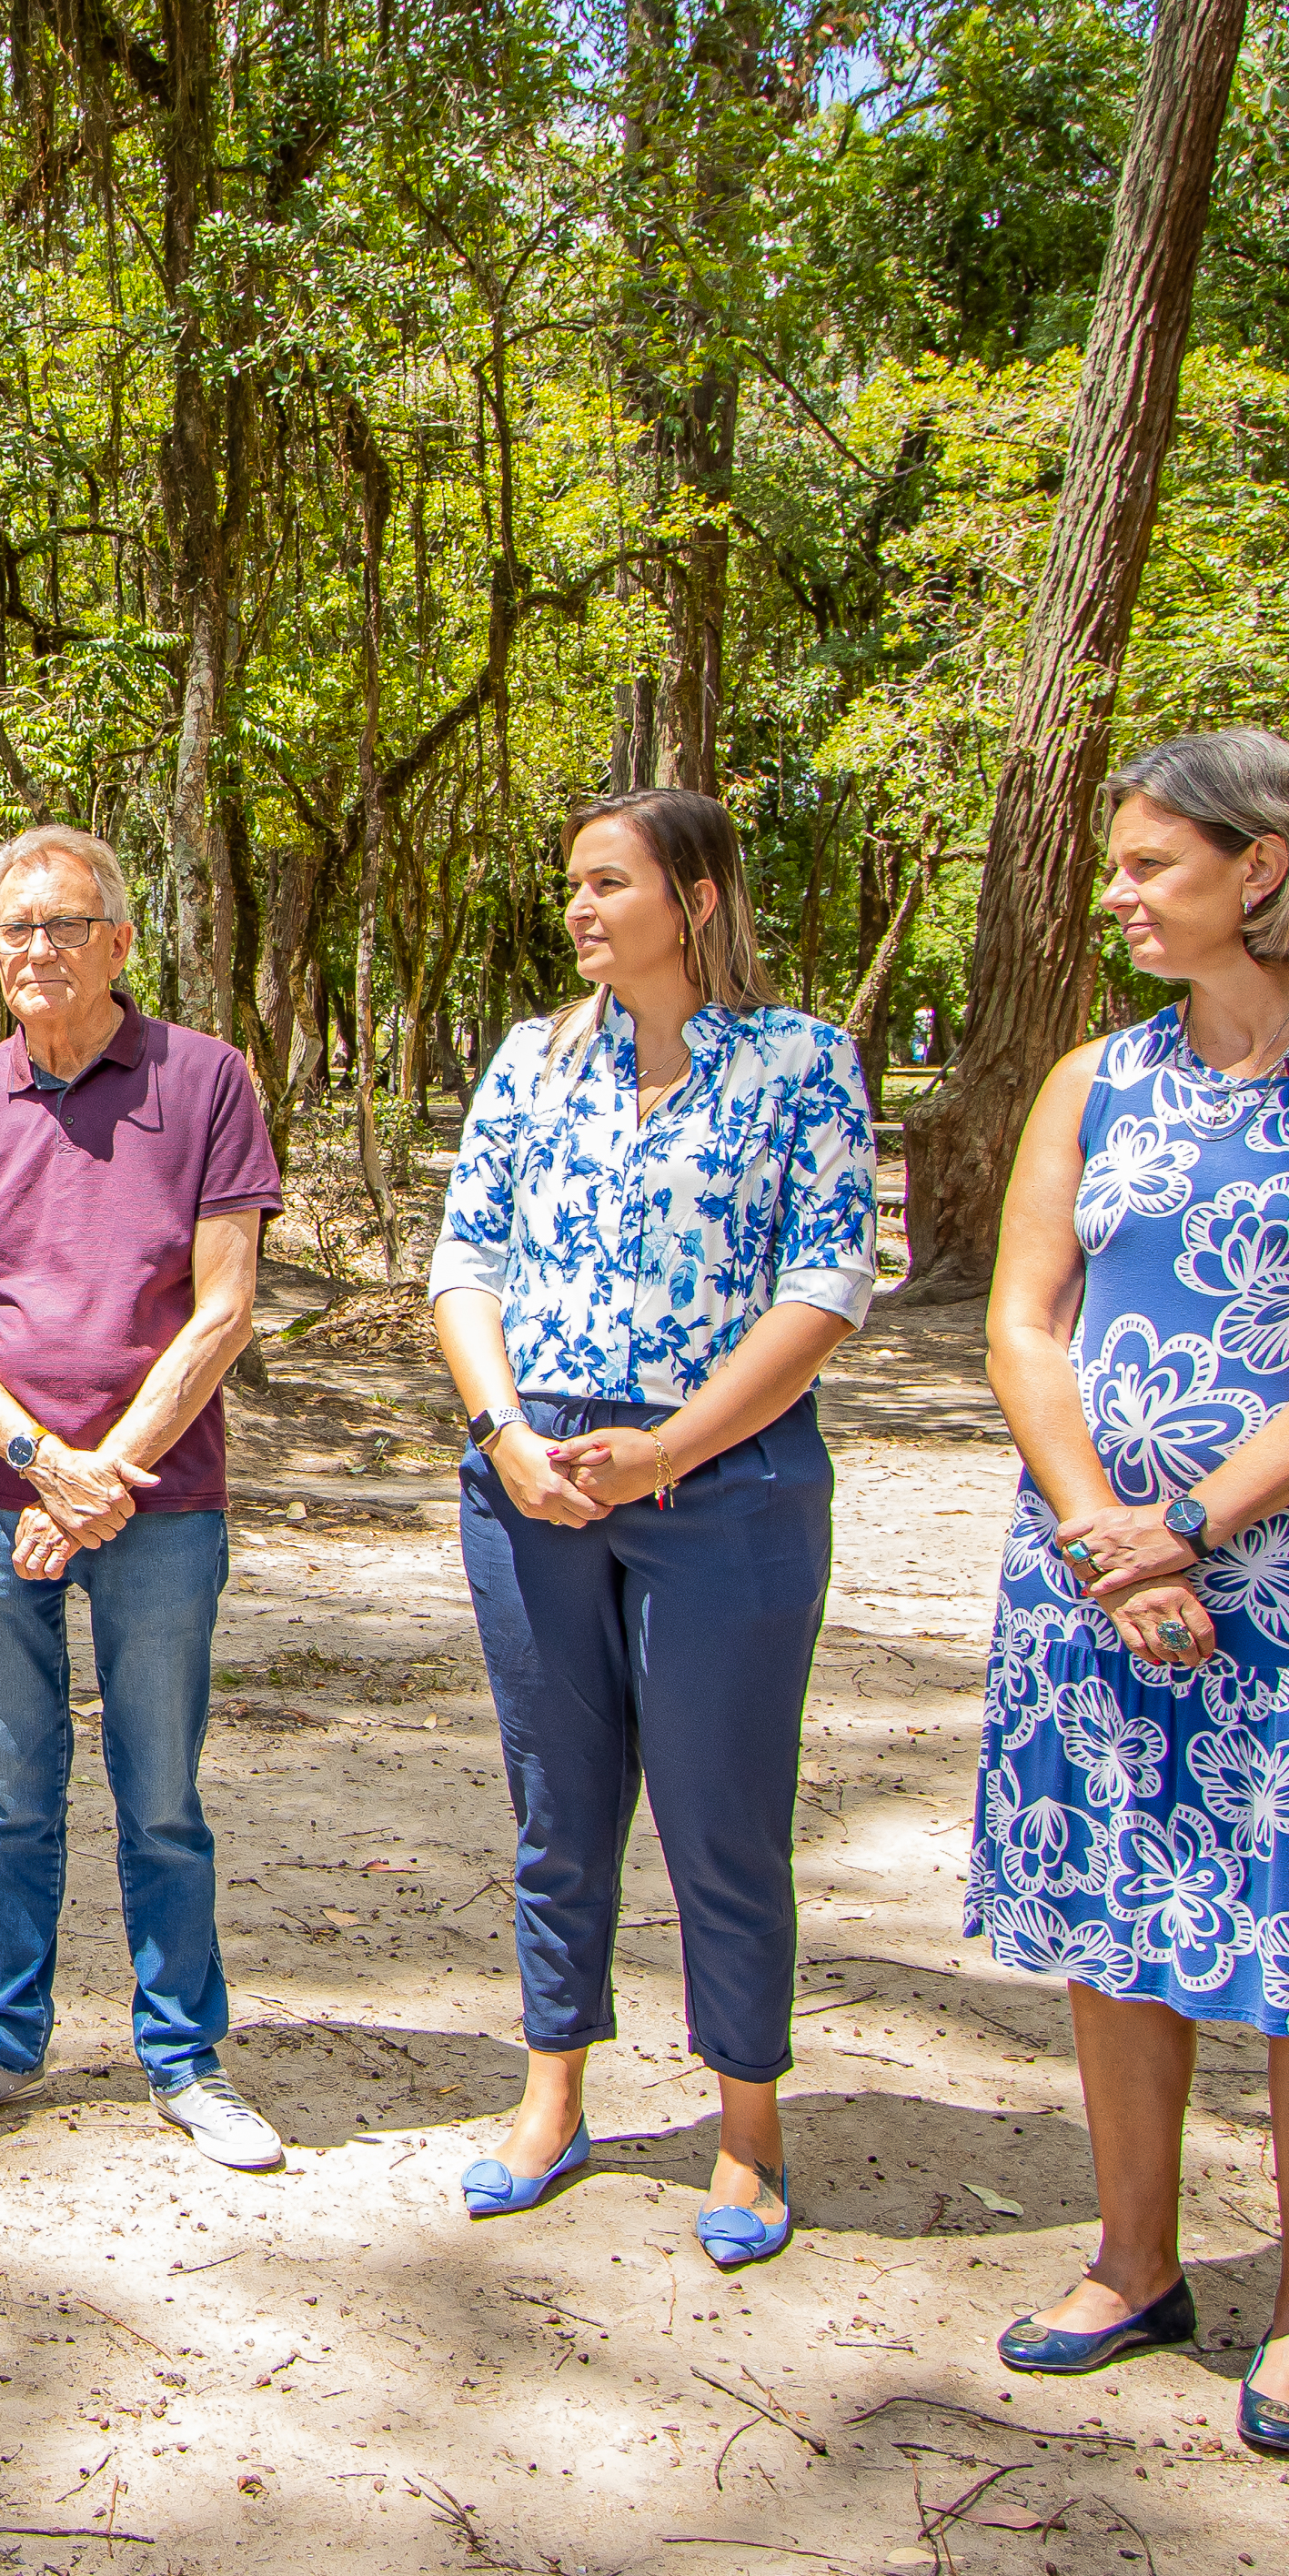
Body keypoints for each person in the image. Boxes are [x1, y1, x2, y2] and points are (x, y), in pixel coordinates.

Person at [966, 728, 1289, 2459]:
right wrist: (1102, 1527)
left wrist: (1193, 1515)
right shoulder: (1093, 1078)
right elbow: (1026, 1318)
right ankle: (1135, 2260)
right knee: (1119, 1915)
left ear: (1257, 869)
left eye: (1147, 866)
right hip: (1094, 1566)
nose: (1114, 895)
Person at [430, 788, 876, 2269]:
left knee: (720, 1817)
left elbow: (826, 1284)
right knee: (558, 1808)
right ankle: (553, 2092)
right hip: (534, 1478)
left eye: (608, 882)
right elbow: (464, 1259)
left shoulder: (804, 1063)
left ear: (692, 896)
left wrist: (668, 1450)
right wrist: (504, 1434)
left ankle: (748, 2130)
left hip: (723, 1484)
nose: (580, 908)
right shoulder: (530, 1060)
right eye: (571, 884)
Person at [0, 825, 288, 2170]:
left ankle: (185, 2053)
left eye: (65, 925)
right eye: (15, 929)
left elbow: (224, 1303)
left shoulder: (207, 1078)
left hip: (162, 1499)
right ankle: (2, 2037)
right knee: (12, 1784)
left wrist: (105, 1472)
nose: (38, 950)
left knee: (160, 1784)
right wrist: (39, 1464)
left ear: (123, 939)